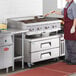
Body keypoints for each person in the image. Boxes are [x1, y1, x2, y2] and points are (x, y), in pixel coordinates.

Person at [45, 0, 76, 65]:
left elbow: (75, 17)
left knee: (72, 44)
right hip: (67, 26)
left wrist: (73, 27)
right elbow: (62, 12)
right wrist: (54, 12)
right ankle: (68, 59)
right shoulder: (67, 4)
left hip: (71, 25)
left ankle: (74, 60)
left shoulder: (73, 5)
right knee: (67, 43)